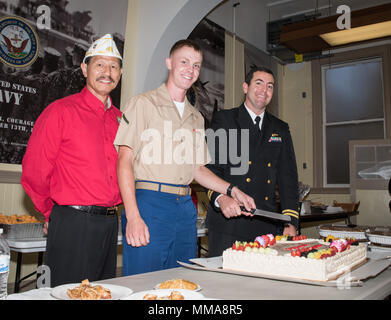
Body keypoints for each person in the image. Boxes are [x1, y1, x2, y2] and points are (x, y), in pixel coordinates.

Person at [114, 39, 255, 276]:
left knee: (180, 282)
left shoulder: (196, 117)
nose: (191, 69)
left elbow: (197, 169)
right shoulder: (143, 103)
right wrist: (134, 215)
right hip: (149, 204)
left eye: (197, 65)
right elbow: (124, 161)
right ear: (169, 63)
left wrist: (232, 190)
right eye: (185, 62)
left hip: (184, 210)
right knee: (143, 282)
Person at [21, 34, 123, 287]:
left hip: (111, 223)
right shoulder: (60, 111)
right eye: (99, 64)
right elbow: (35, 171)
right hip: (73, 223)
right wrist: (51, 213)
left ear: (120, 73)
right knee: (68, 293)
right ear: (84, 68)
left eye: (113, 66)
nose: (106, 72)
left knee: (102, 292)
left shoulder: (122, 120)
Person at [205, 66, 300, 257]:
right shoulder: (225, 120)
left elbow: (288, 179)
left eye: (270, 86)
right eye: (259, 83)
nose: (264, 90)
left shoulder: (280, 128)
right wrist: (221, 198)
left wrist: (290, 221)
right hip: (229, 222)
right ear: (245, 87)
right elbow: (210, 169)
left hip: (266, 223)